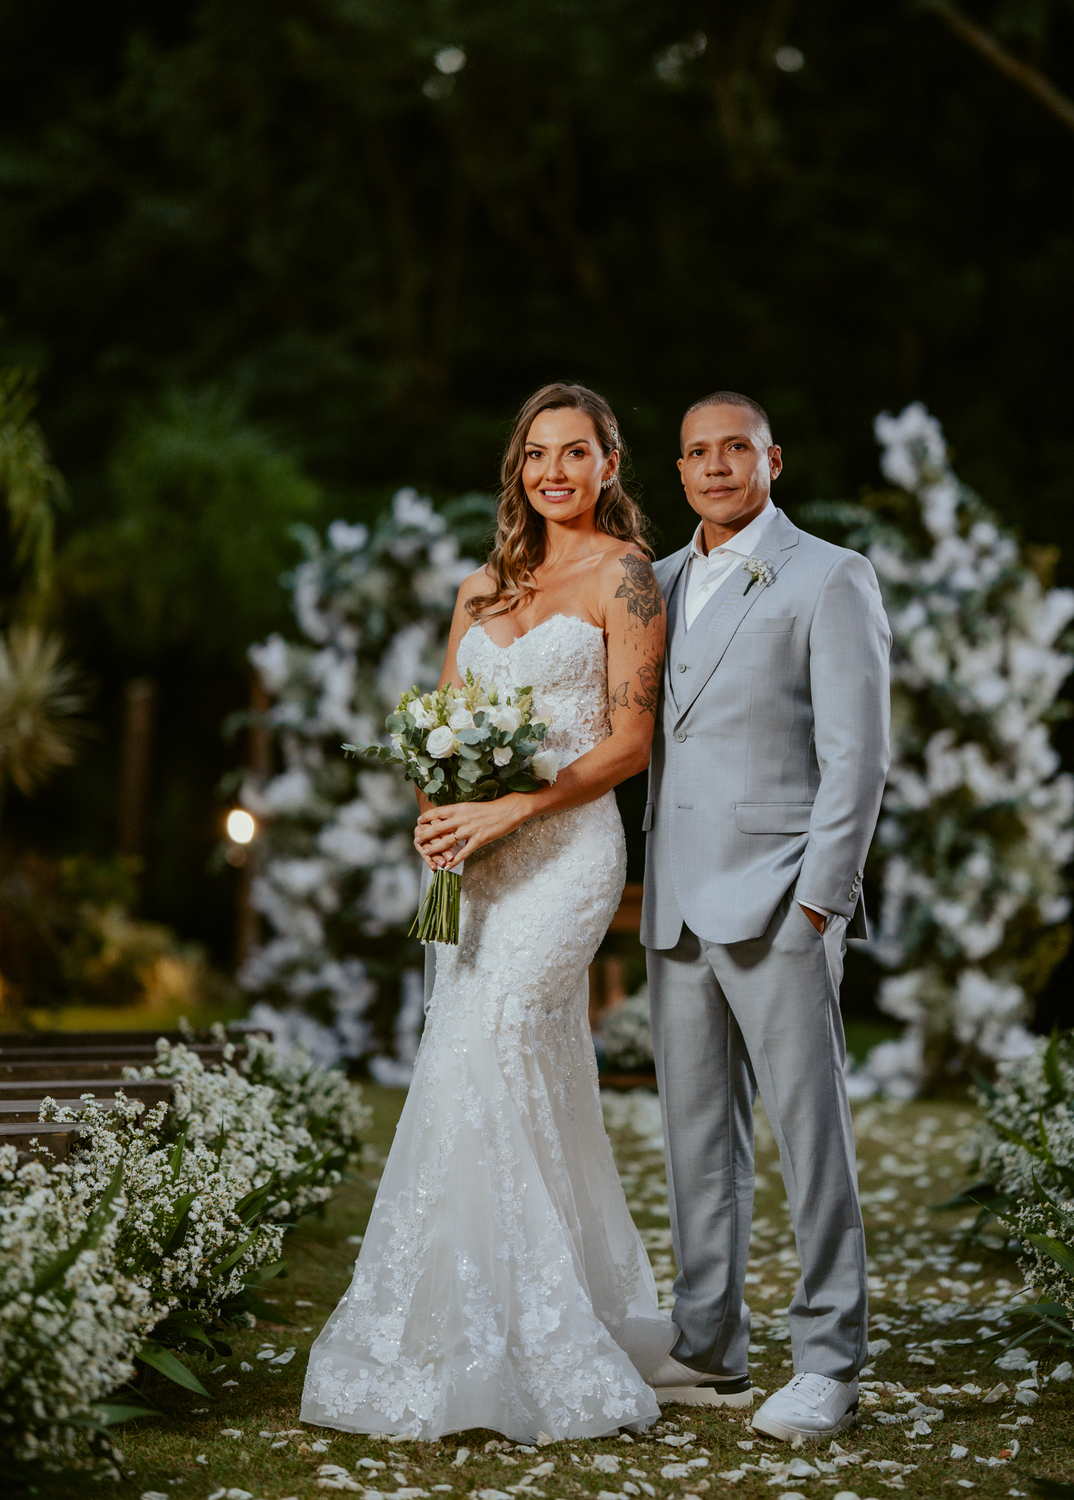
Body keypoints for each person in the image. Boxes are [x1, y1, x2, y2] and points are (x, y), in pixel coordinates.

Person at [300, 382, 672, 1442]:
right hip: (477, 860)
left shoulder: (628, 577)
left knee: (497, 1038)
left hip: (565, 855)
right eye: (537, 454)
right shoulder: (481, 590)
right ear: (519, 468)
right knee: (499, 1056)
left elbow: (629, 743)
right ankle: (469, 1323)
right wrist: (437, 814)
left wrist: (514, 805)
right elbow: (438, 725)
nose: (554, 471)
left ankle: (539, 1342)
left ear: (609, 464)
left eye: (576, 453)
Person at [641, 392, 891, 1443]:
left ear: (771, 459)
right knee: (698, 1138)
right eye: (695, 451)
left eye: (732, 447)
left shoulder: (831, 576)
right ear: (681, 468)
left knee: (808, 1134)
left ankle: (830, 1357)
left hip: (785, 898)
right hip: (677, 907)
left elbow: (859, 755)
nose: (713, 465)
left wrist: (822, 901)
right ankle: (710, 1343)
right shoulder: (650, 586)